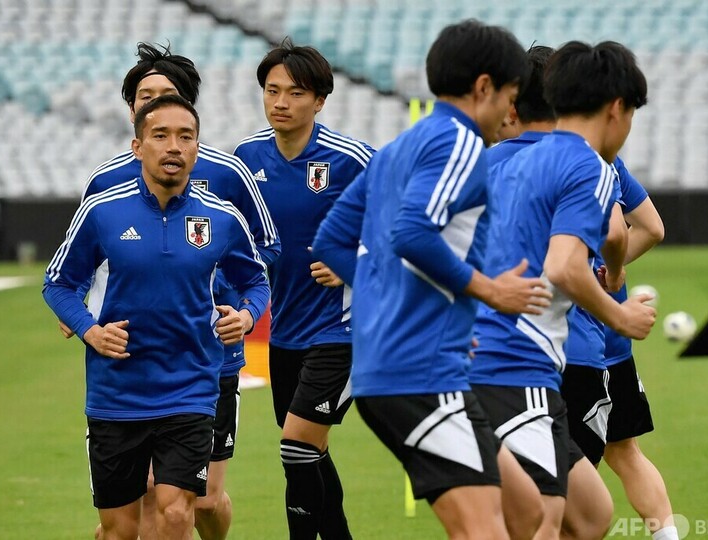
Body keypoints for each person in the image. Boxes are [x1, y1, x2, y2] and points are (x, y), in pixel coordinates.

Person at [313, 20, 554, 539]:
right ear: (485, 87)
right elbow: (413, 233)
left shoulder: (398, 148)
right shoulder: (461, 143)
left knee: (526, 512)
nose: (511, 112)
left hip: (402, 367)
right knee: (484, 530)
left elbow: (331, 241)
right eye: (510, 97)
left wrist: (395, 303)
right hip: (420, 372)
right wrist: (492, 291)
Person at [65, 42, 279, 540]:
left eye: (168, 96)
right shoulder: (106, 182)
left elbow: (263, 251)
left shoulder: (227, 175)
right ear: (133, 113)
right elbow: (78, 261)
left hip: (209, 357)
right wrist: (81, 314)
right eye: (145, 97)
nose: (156, 104)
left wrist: (223, 297)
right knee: (145, 505)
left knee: (203, 503)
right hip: (131, 359)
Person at [467, 40, 656, 540]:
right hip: (511, 367)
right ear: (617, 108)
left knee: (590, 515)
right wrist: (621, 313)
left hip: (485, 363)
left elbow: (610, 234)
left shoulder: (507, 160)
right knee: (545, 523)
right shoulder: (590, 165)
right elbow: (567, 264)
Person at [232, 38, 375, 540]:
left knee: (296, 446)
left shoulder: (351, 159)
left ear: (319, 100)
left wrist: (354, 262)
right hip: (285, 329)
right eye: (272, 91)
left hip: (343, 329)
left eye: (295, 93)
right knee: (310, 452)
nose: (281, 102)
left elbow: (409, 226)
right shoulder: (245, 158)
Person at [601, 189, 678, 540]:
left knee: (561, 466)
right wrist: (611, 271)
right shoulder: (611, 166)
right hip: (614, 337)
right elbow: (651, 228)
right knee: (625, 451)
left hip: (560, 341)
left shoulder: (524, 165)